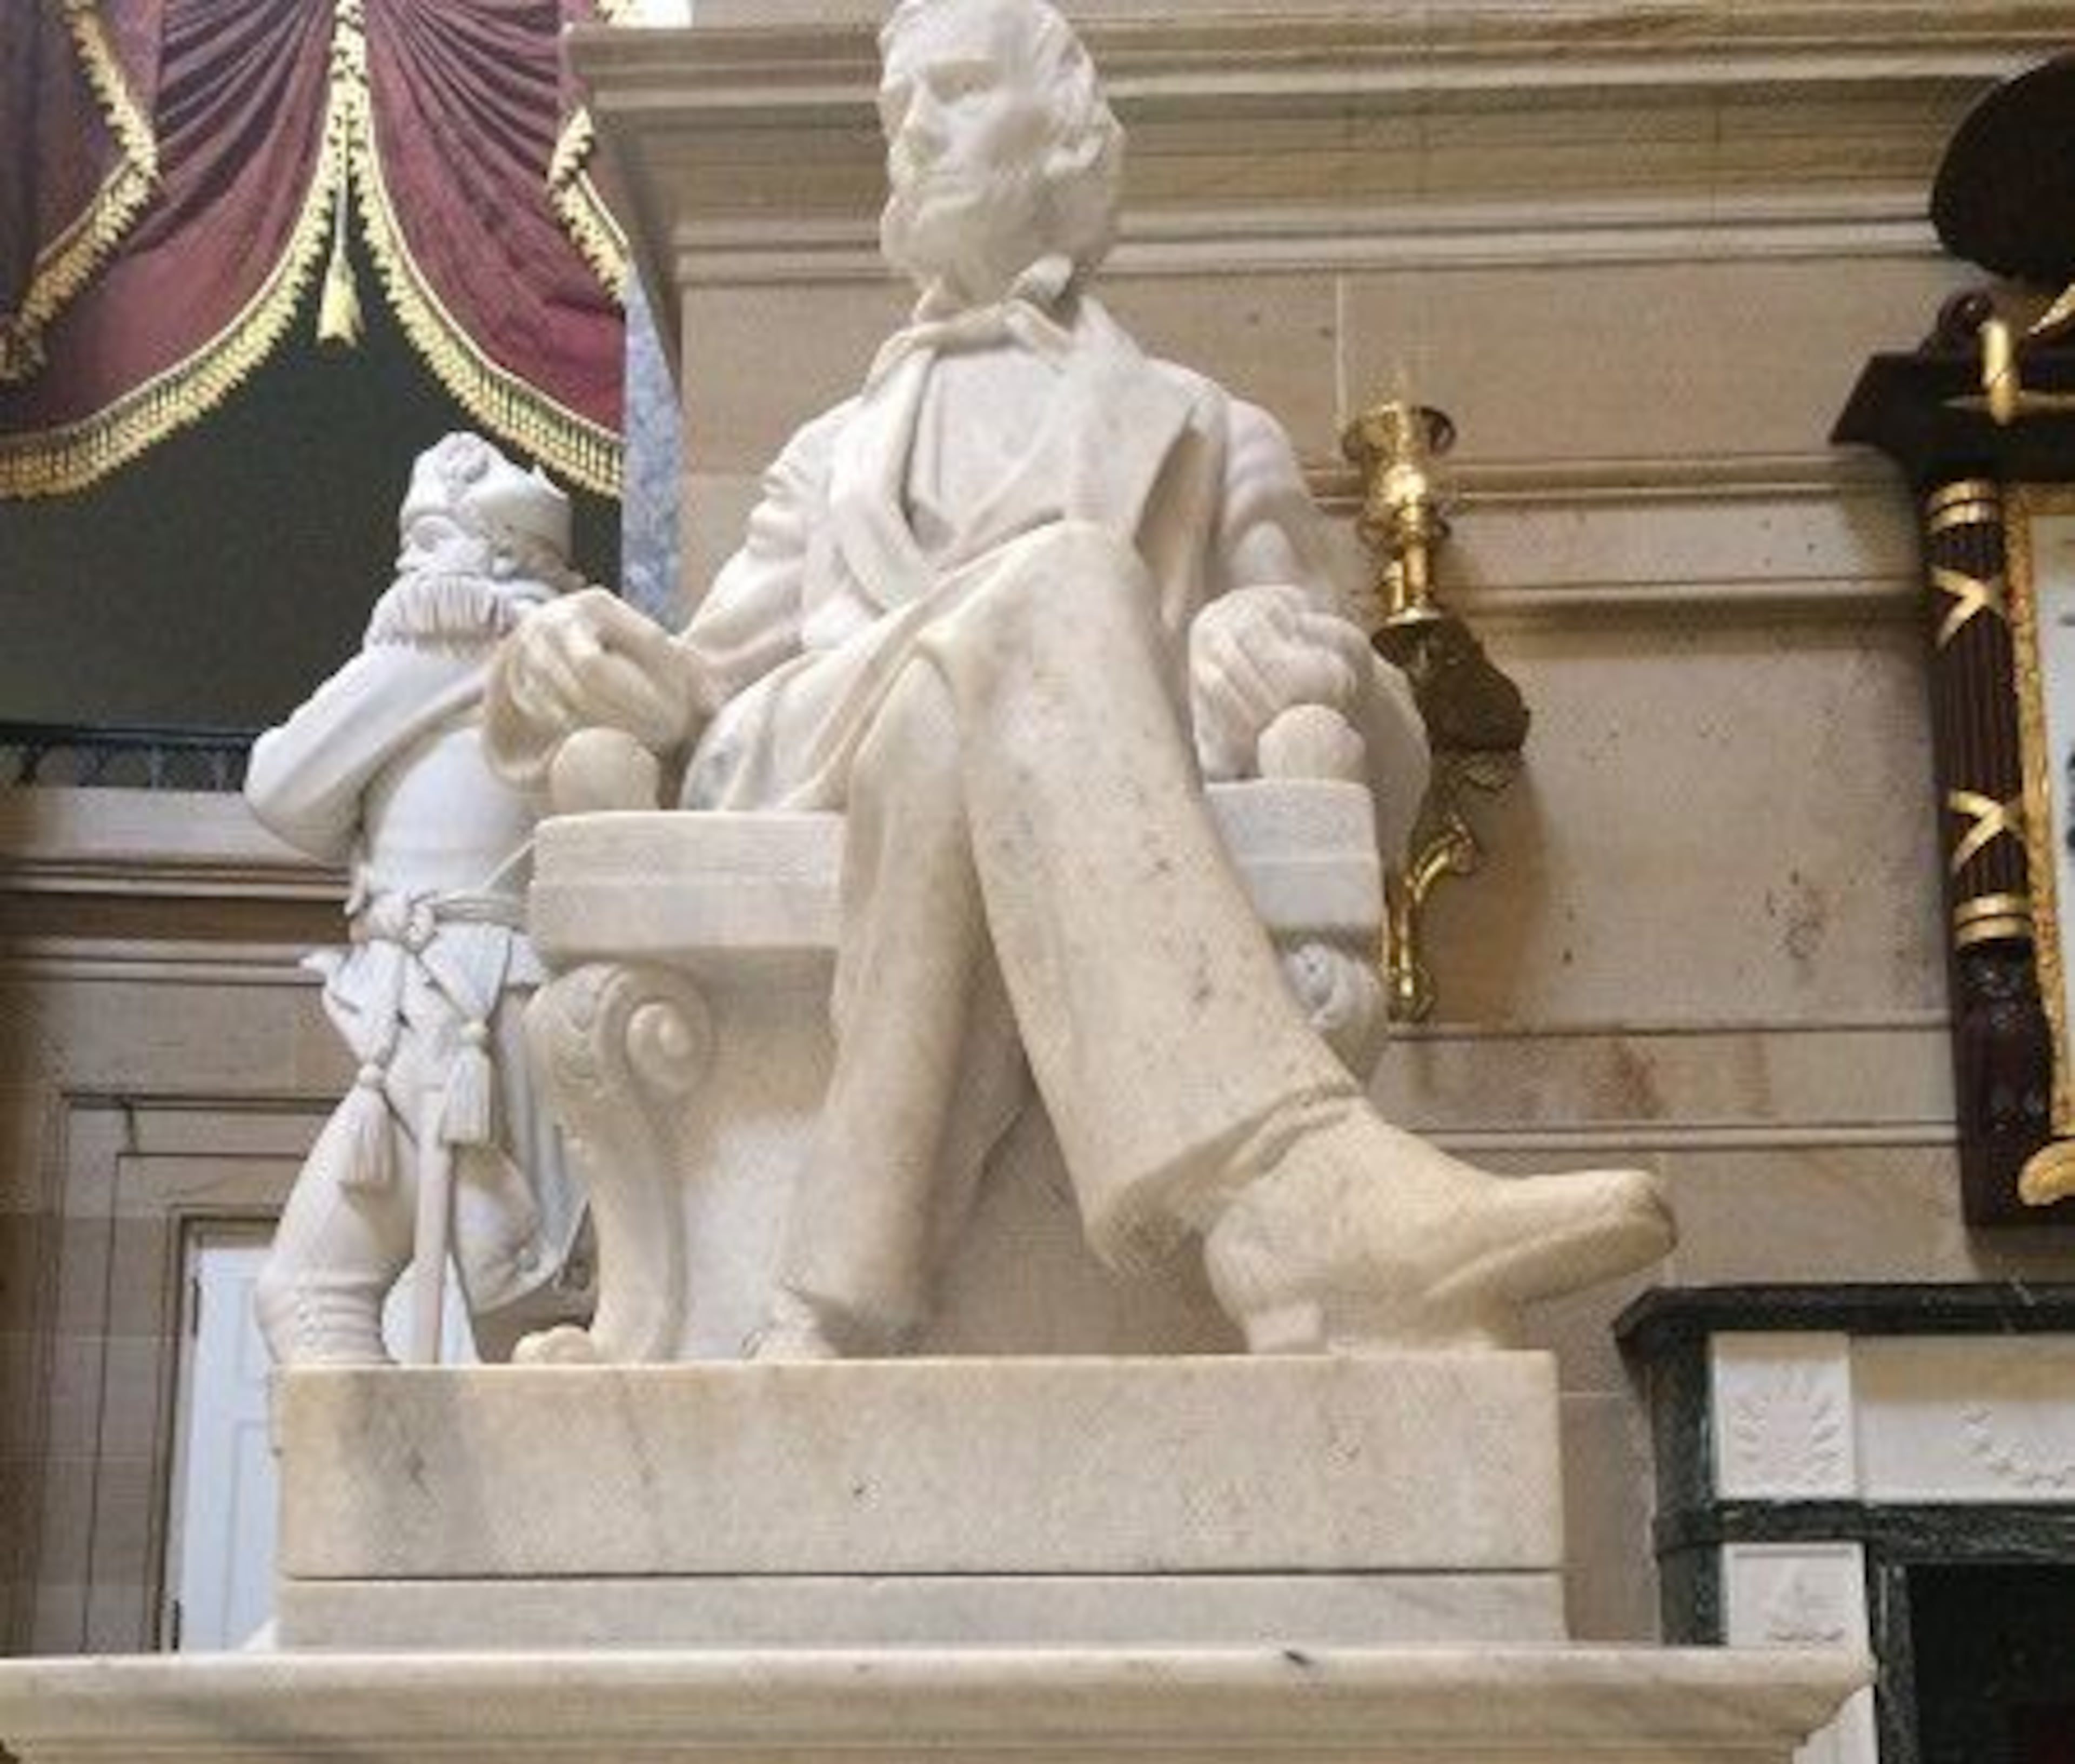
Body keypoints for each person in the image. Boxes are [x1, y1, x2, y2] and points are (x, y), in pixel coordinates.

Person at [487, 0, 1671, 1357]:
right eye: (898, 108)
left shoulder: (1208, 434)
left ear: (1062, 137)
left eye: (956, 93)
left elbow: (1385, 749)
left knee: (994, 686)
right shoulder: (833, 456)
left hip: (984, 796)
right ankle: (1284, 1183)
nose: (912, 128)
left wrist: (1304, 667)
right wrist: (559, 666)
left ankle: (840, 1281)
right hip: (835, 758)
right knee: (1068, 584)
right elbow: (697, 690)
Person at [249, 435, 587, 1367]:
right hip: (494, 1000)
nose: (408, 562)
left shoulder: (448, 638)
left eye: (429, 536)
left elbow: (279, 782)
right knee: (525, 1333)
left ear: (491, 551)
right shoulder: (562, 657)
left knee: (312, 1293)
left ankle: (386, 1512)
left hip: (445, 1005)